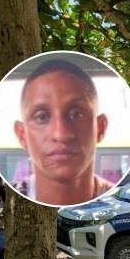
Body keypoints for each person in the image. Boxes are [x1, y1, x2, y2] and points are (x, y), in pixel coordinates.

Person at [12, 58, 113, 205]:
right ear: (22, 135)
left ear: (100, 128)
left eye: (76, 114)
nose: (61, 134)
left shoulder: (119, 200)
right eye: (42, 117)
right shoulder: (14, 198)